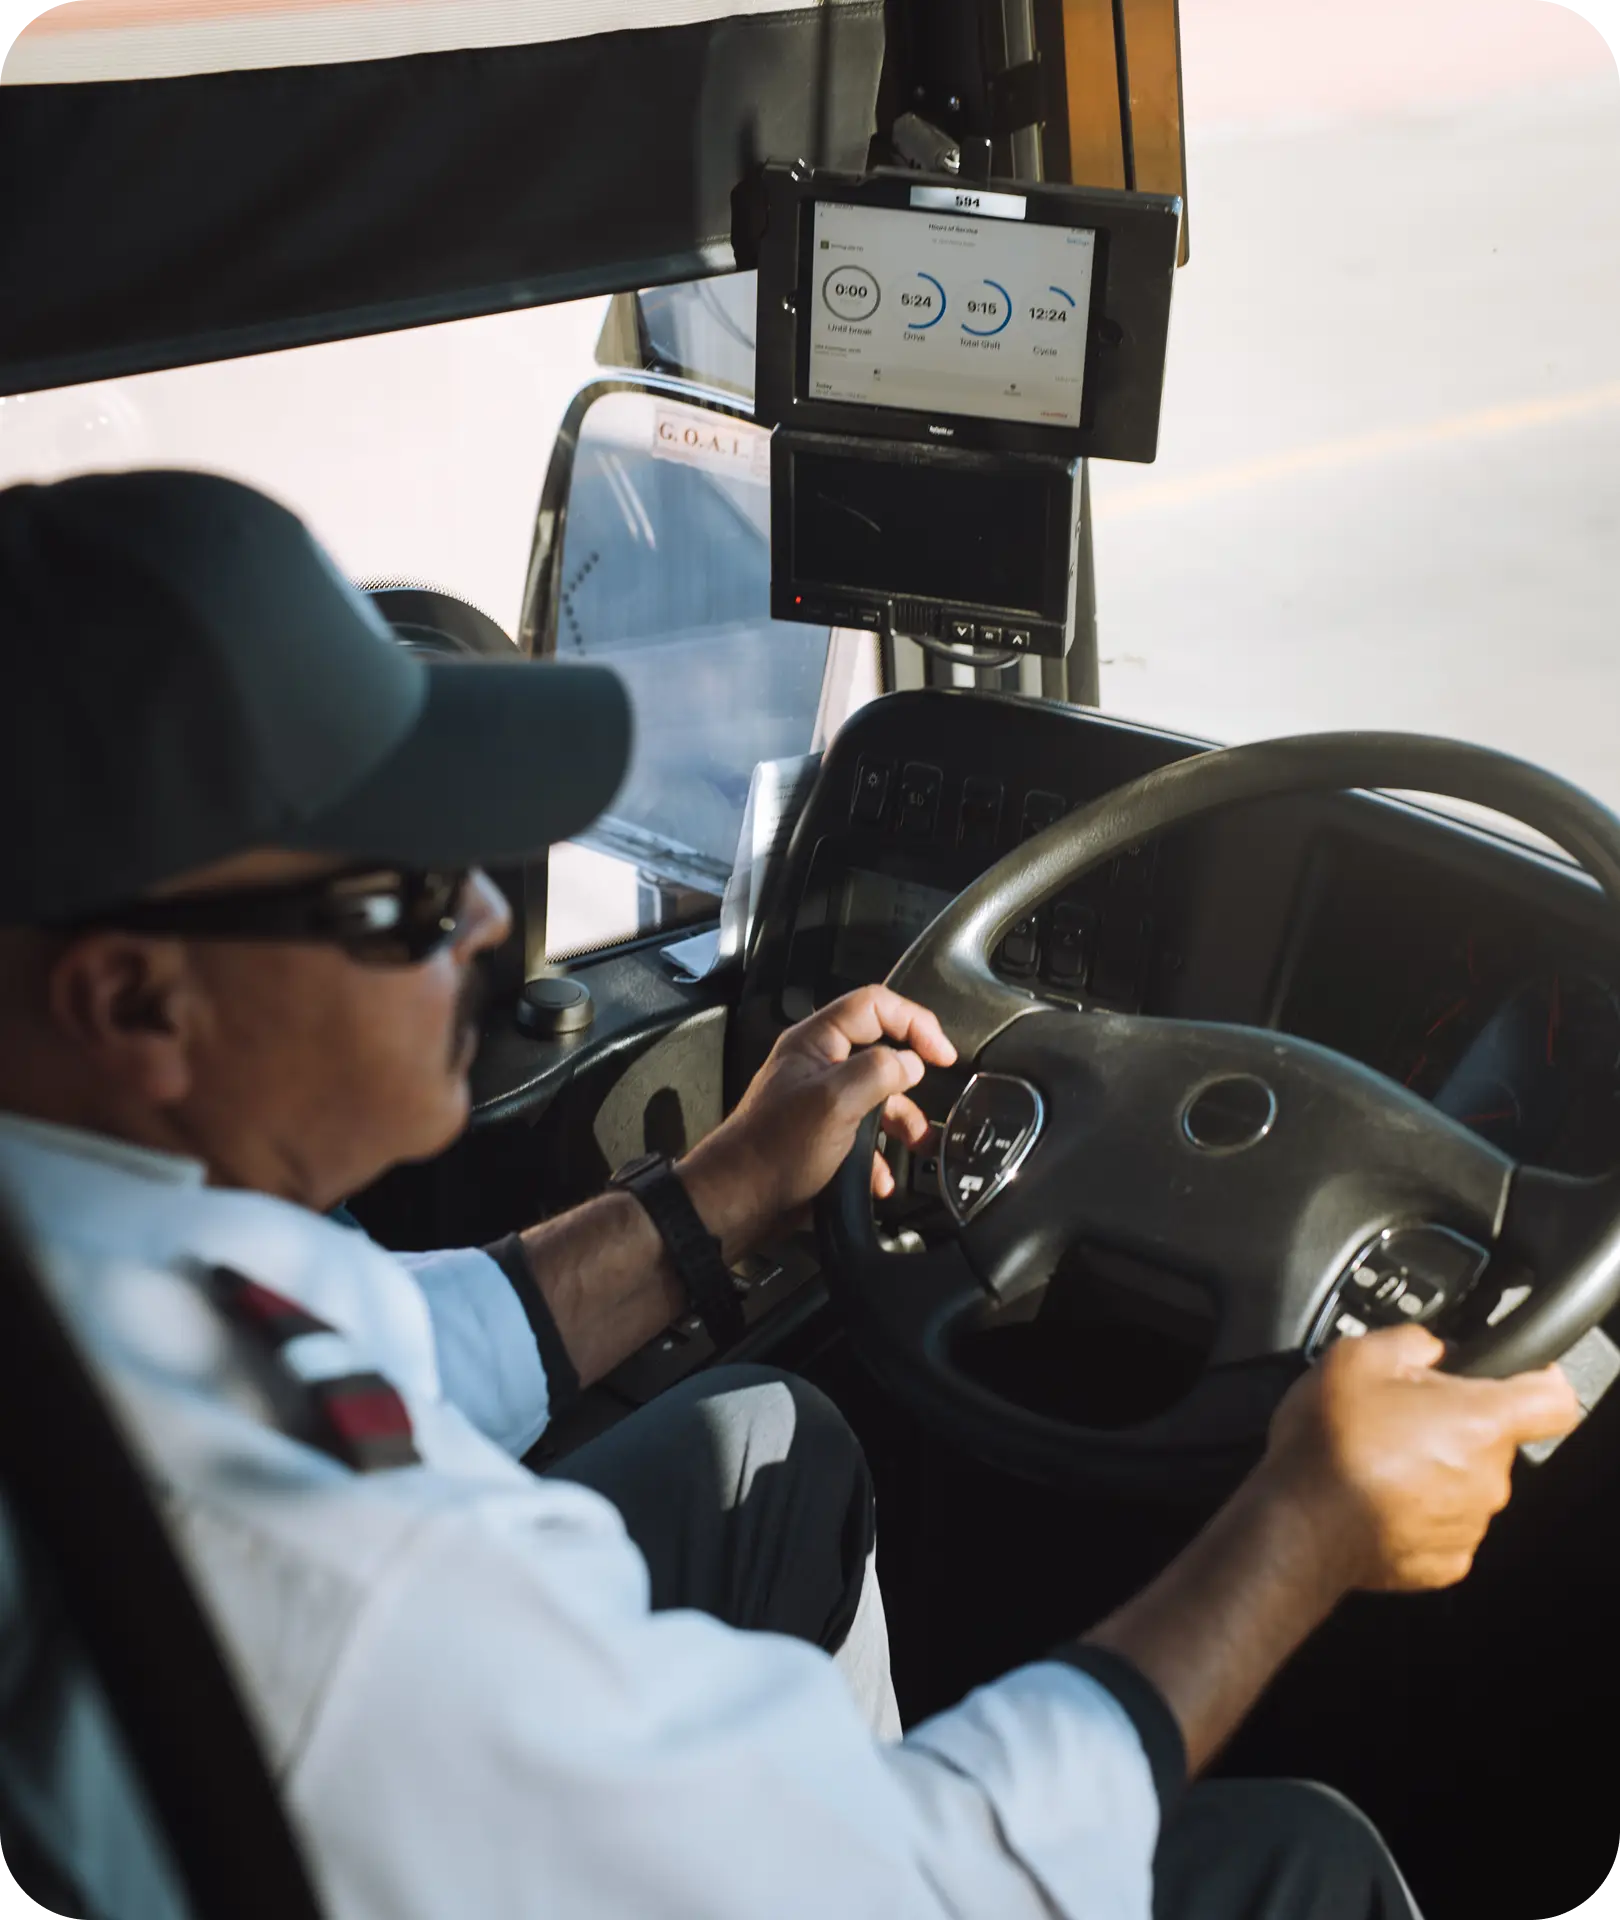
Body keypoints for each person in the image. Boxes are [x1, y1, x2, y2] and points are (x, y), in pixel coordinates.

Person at [0, 469, 1579, 1920]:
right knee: (1304, 1859)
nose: (490, 922)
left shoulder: (95, 1254)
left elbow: (393, 1335)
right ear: (136, 1006)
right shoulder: (348, 1581)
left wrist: (723, 1191)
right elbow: (937, 1872)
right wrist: (1306, 1526)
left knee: (768, 1445)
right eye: (402, 898)